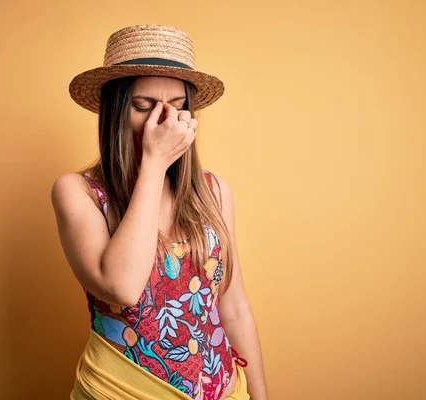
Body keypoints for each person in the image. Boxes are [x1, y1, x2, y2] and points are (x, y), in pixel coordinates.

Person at [52, 24, 268, 400]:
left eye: (178, 106)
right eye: (143, 106)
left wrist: (261, 396)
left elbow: (233, 307)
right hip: (121, 389)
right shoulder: (78, 191)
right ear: (114, 111)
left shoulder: (214, 192)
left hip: (220, 389)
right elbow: (122, 287)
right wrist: (153, 163)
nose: (164, 121)